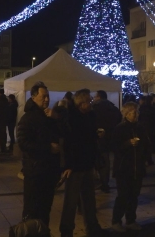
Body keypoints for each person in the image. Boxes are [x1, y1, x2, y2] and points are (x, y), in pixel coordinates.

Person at [59, 89, 105, 237]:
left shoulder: (90, 116)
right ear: (81, 103)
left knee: (89, 199)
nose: (90, 104)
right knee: (71, 201)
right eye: (87, 102)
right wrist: (68, 165)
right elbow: (69, 143)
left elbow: (88, 138)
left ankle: (92, 226)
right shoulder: (72, 117)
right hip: (75, 165)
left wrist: (96, 135)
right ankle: (66, 230)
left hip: (87, 162)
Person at [17, 81, 61, 228]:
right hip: (35, 172)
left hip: (48, 171)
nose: (47, 99)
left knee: (45, 208)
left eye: (48, 96)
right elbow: (23, 143)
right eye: (43, 96)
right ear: (34, 97)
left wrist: (57, 118)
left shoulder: (47, 117)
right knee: (33, 209)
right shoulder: (28, 118)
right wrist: (48, 147)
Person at [110, 102, 150, 233]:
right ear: (126, 114)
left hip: (137, 167)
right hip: (124, 168)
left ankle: (130, 220)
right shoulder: (120, 128)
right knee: (123, 195)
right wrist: (128, 143)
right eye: (133, 113)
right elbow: (115, 147)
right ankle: (116, 221)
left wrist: (144, 155)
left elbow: (146, 145)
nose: (136, 115)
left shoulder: (141, 128)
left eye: (136, 112)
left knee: (134, 195)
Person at [92, 89, 122, 193]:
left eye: (95, 96)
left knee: (98, 159)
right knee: (105, 159)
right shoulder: (113, 108)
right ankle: (105, 182)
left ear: (99, 97)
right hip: (110, 137)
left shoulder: (95, 108)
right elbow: (118, 120)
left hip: (98, 137)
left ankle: (98, 181)